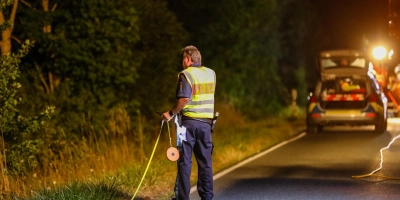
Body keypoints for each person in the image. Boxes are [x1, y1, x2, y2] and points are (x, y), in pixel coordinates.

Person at [161, 45, 216, 200]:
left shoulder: (186, 74)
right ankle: (207, 197)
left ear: (188, 58)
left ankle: (183, 198)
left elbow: (184, 98)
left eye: (183, 59)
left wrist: (170, 113)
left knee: (185, 162)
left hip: (189, 124)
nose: (182, 62)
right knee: (205, 162)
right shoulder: (211, 73)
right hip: (206, 124)